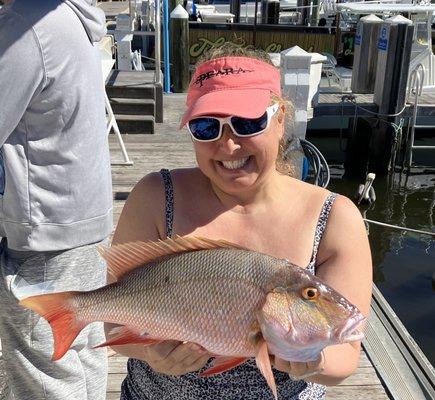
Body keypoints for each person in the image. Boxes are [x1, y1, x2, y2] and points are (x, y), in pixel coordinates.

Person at [110, 44, 372, 399]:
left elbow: (347, 351)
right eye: (206, 127)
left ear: (280, 120)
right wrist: (148, 352)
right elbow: (114, 322)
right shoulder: (154, 197)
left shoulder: (335, 218)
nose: (229, 146)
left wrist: (314, 360)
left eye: (248, 122)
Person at [0, 0, 113, 399]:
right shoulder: (67, 19)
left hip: (46, 235)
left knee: (43, 369)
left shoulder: (22, 27)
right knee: (81, 353)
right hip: (85, 226)